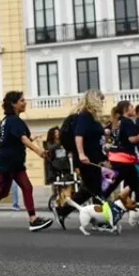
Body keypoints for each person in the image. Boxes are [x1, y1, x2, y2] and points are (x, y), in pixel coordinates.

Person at [0, 91, 52, 232]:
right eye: (22, 100)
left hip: (12, 161)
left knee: (23, 188)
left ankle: (33, 220)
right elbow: (23, 138)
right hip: (8, 162)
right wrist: (39, 151)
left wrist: (6, 146)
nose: (25, 102)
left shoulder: (6, 120)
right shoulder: (15, 120)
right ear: (14, 104)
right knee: (5, 191)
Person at [60, 89, 107, 226]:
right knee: (96, 189)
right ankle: (100, 220)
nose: (103, 102)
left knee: (88, 190)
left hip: (93, 158)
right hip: (86, 159)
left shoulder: (92, 117)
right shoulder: (84, 116)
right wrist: (81, 154)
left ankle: (62, 211)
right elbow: (79, 136)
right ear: (94, 100)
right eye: (101, 99)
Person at [105, 100, 139, 203]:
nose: (133, 108)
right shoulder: (127, 121)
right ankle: (101, 199)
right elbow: (132, 139)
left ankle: (130, 202)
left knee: (132, 181)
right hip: (124, 158)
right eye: (131, 106)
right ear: (126, 109)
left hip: (115, 157)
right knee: (117, 183)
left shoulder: (116, 121)